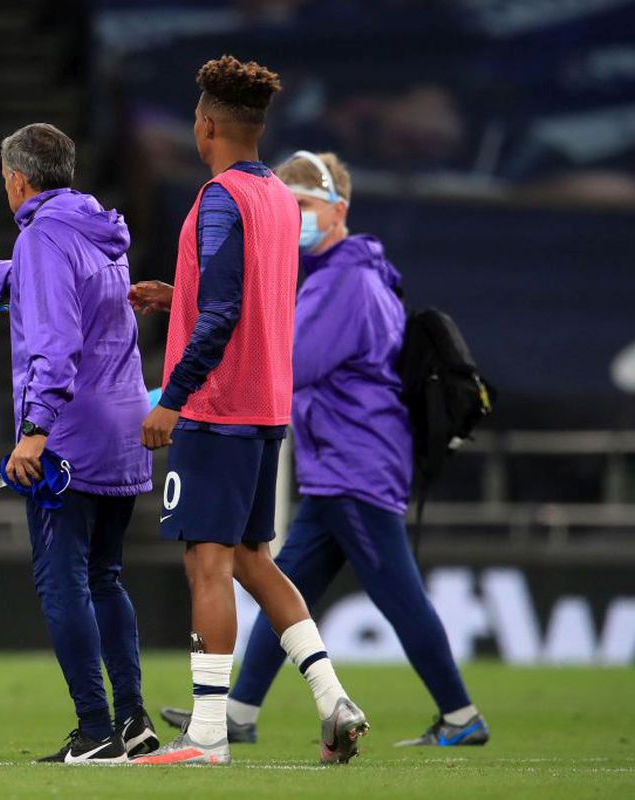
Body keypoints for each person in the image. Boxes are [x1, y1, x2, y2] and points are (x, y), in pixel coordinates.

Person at [162, 151, 489, 749]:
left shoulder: (346, 279)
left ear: (338, 210)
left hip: (355, 463)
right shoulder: (341, 273)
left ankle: (462, 714)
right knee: (274, 577)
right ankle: (239, 710)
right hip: (337, 461)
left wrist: (175, 386)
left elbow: (291, 364)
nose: (294, 217)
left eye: (304, 205)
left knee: (396, 592)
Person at [130, 56, 368, 766]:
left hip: (217, 407)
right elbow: (249, 296)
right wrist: (180, 297)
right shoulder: (275, 199)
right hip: (266, 406)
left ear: (206, 126)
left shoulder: (217, 200)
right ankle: (333, 698)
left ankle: (206, 734)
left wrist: (171, 399)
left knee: (208, 563)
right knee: (250, 559)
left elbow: (227, 310)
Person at [0, 123, 159, 763]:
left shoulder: (41, 234)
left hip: (68, 436)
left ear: (16, 179)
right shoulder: (98, 228)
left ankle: (95, 731)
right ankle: (134, 721)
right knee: (106, 578)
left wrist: (34, 432)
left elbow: (55, 342)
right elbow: (59, 286)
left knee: (62, 584)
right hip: (122, 426)